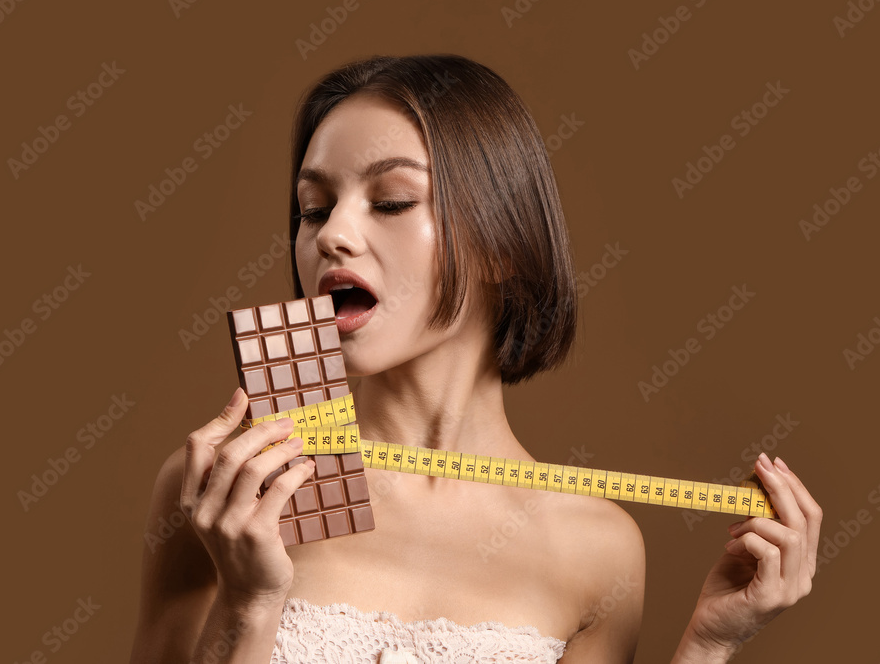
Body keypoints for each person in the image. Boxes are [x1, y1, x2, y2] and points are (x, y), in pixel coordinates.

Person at [129, 54, 822, 663]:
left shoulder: (598, 547)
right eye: (313, 209)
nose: (333, 234)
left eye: (392, 200)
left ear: (499, 244)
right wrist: (249, 604)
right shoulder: (232, 490)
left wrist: (708, 645)